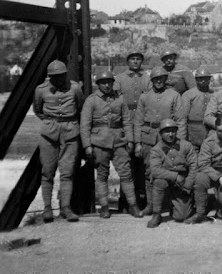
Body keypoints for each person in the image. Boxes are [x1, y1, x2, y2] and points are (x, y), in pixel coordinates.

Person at [80, 70, 141, 219]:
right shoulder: (91, 100)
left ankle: (133, 206)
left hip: (119, 141)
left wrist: (131, 140)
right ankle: (104, 207)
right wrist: (87, 146)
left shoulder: (120, 99)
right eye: (103, 83)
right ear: (98, 84)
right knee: (102, 175)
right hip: (99, 142)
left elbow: (126, 121)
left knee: (126, 174)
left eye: (109, 82)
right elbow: (85, 125)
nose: (107, 85)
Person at [33, 60, 85, 222]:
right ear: (49, 77)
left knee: (67, 172)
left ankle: (65, 208)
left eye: (61, 76)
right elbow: (38, 109)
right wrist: (52, 122)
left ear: (65, 75)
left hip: (70, 132)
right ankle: (47, 209)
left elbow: (80, 107)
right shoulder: (40, 90)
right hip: (48, 133)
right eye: (54, 77)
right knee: (47, 172)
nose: (58, 79)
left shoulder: (75, 88)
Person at [133, 67, 186, 215]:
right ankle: (151, 204)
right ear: (152, 80)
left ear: (165, 79)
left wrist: (180, 141)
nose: (158, 81)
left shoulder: (174, 95)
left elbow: (181, 120)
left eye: (161, 78)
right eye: (155, 79)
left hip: (168, 137)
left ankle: (169, 205)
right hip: (148, 137)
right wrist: (138, 143)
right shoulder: (144, 97)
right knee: (149, 171)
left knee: (170, 169)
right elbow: (138, 121)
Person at [187, 114, 222, 223]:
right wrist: (218, 177)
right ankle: (200, 213)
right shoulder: (209, 142)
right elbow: (203, 164)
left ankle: (215, 203)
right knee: (200, 178)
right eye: (219, 131)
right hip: (214, 174)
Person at [113, 50, 150, 211]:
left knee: (141, 163)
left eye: (138, 59)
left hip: (142, 123)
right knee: (126, 163)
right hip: (125, 123)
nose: (135, 62)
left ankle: (142, 199)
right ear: (127, 61)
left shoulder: (147, 78)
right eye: (132, 59)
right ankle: (125, 201)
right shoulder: (119, 79)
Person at [147, 119, 198, 228]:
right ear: (160, 134)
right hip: (166, 180)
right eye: (166, 132)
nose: (170, 134)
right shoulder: (156, 149)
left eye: (173, 131)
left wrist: (188, 183)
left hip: (182, 183)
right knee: (159, 182)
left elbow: (194, 165)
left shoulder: (186, 146)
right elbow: (155, 170)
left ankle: (179, 205)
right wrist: (175, 176)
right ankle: (156, 214)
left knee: (181, 217)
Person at [180, 67, 214, 152]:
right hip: (193, 132)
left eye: (206, 78)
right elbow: (183, 117)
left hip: (210, 131)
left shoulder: (214, 94)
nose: (203, 81)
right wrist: (182, 137)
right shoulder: (188, 95)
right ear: (196, 80)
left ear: (209, 79)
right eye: (200, 79)